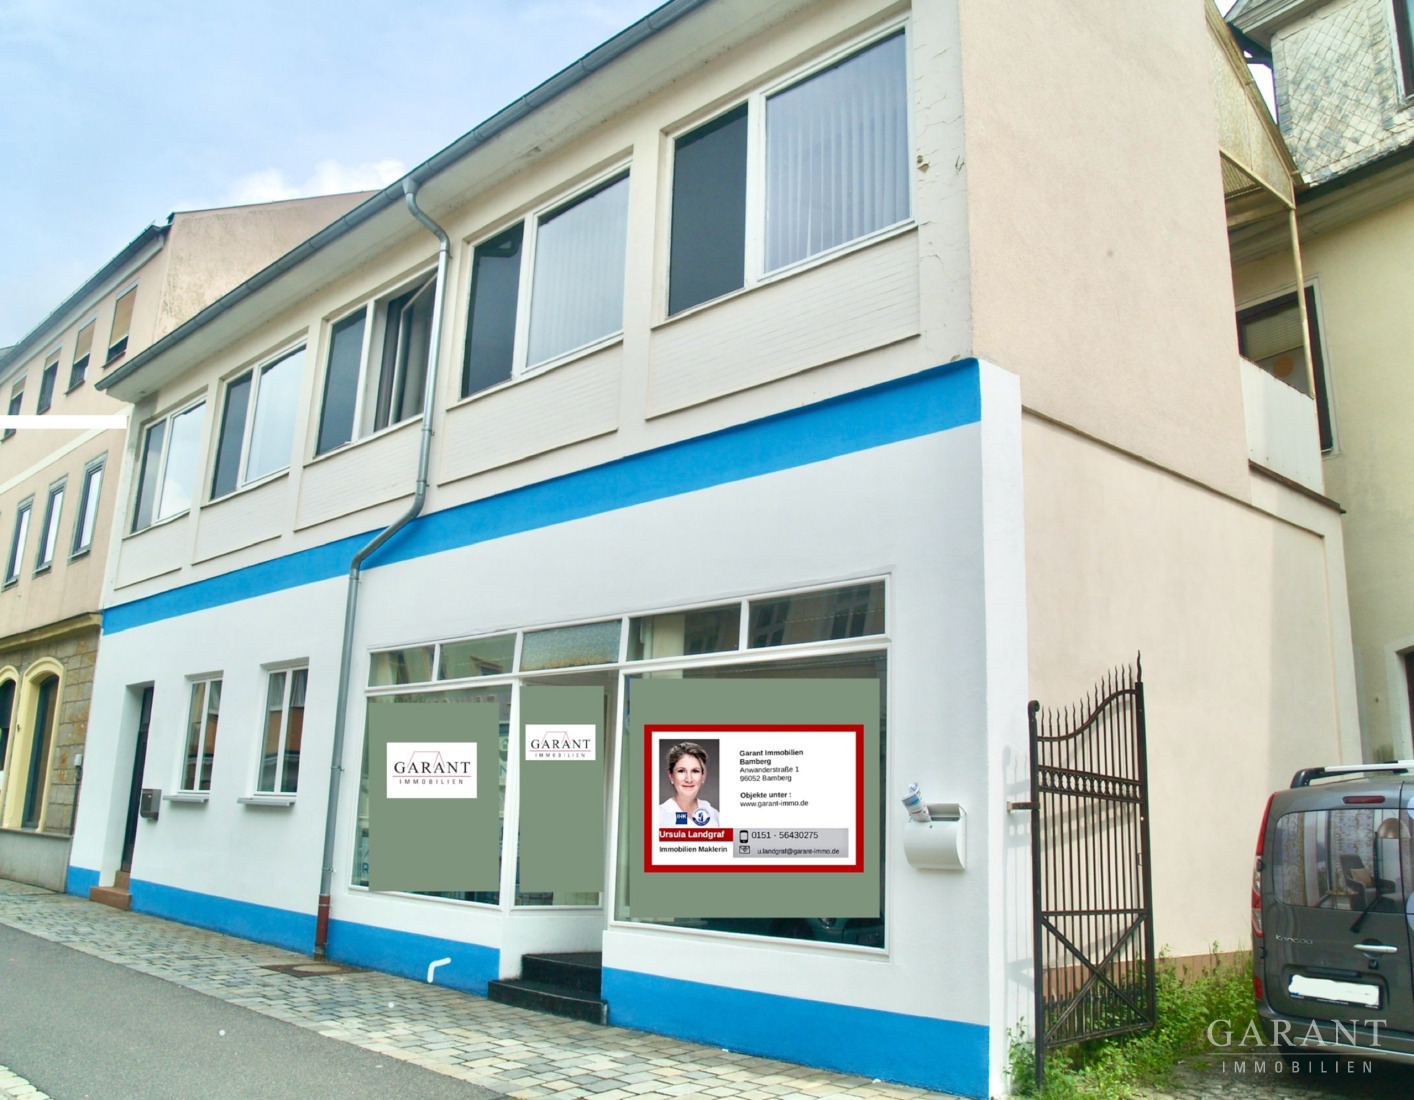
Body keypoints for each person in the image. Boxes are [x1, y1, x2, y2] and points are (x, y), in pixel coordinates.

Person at [658, 741, 720, 826]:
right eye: (681, 771)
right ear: (671, 776)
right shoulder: (659, 816)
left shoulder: (713, 814)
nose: (689, 779)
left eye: (695, 771)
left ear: (703, 776)